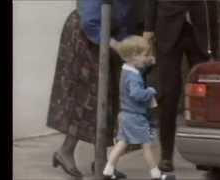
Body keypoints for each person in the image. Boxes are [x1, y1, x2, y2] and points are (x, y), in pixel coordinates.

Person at [47, 0, 143, 178]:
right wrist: (115, 44)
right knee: (88, 96)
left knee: (108, 95)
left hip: (108, 35)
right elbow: (90, 21)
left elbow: (127, 18)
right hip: (86, 33)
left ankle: (102, 161)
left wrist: (128, 48)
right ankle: (67, 151)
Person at [143, 0, 211, 172]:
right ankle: (166, 156)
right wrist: (148, 29)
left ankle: (203, 155)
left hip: (197, 27)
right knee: (168, 94)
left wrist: (213, 42)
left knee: (204, 95)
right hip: (167, 28)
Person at [102, 36, 175, 180]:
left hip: (125, 115)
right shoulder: (134, 77)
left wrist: (147, 62)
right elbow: (136, 93)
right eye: (145, 55)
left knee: (122, 143)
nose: (147, 57)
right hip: (135, 117)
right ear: (134, 56)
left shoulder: (127, 70)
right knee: (147, 146)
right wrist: (150, 91)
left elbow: (139, 67)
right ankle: (156, 175)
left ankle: (108, 171)